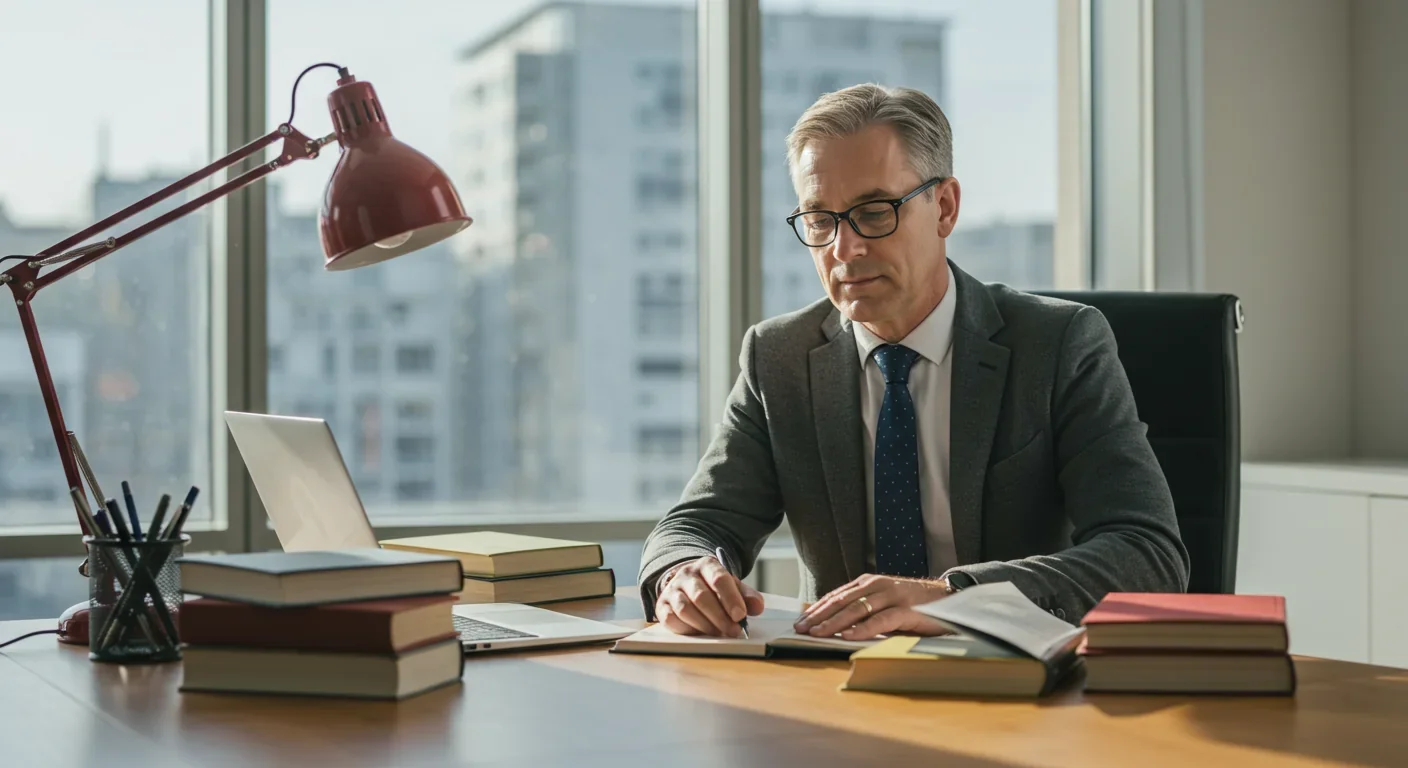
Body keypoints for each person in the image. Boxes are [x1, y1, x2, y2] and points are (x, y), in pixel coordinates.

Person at [638, 84, 1188, 641]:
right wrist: (683, 574)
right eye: (820, 220)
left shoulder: (1060, 343)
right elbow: (697, 523)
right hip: (834, 686)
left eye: (873, 213)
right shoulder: (779, 357)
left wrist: (953, 599)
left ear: (944, 207)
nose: (844, 249)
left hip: (1016, 686)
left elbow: (1147, 554)